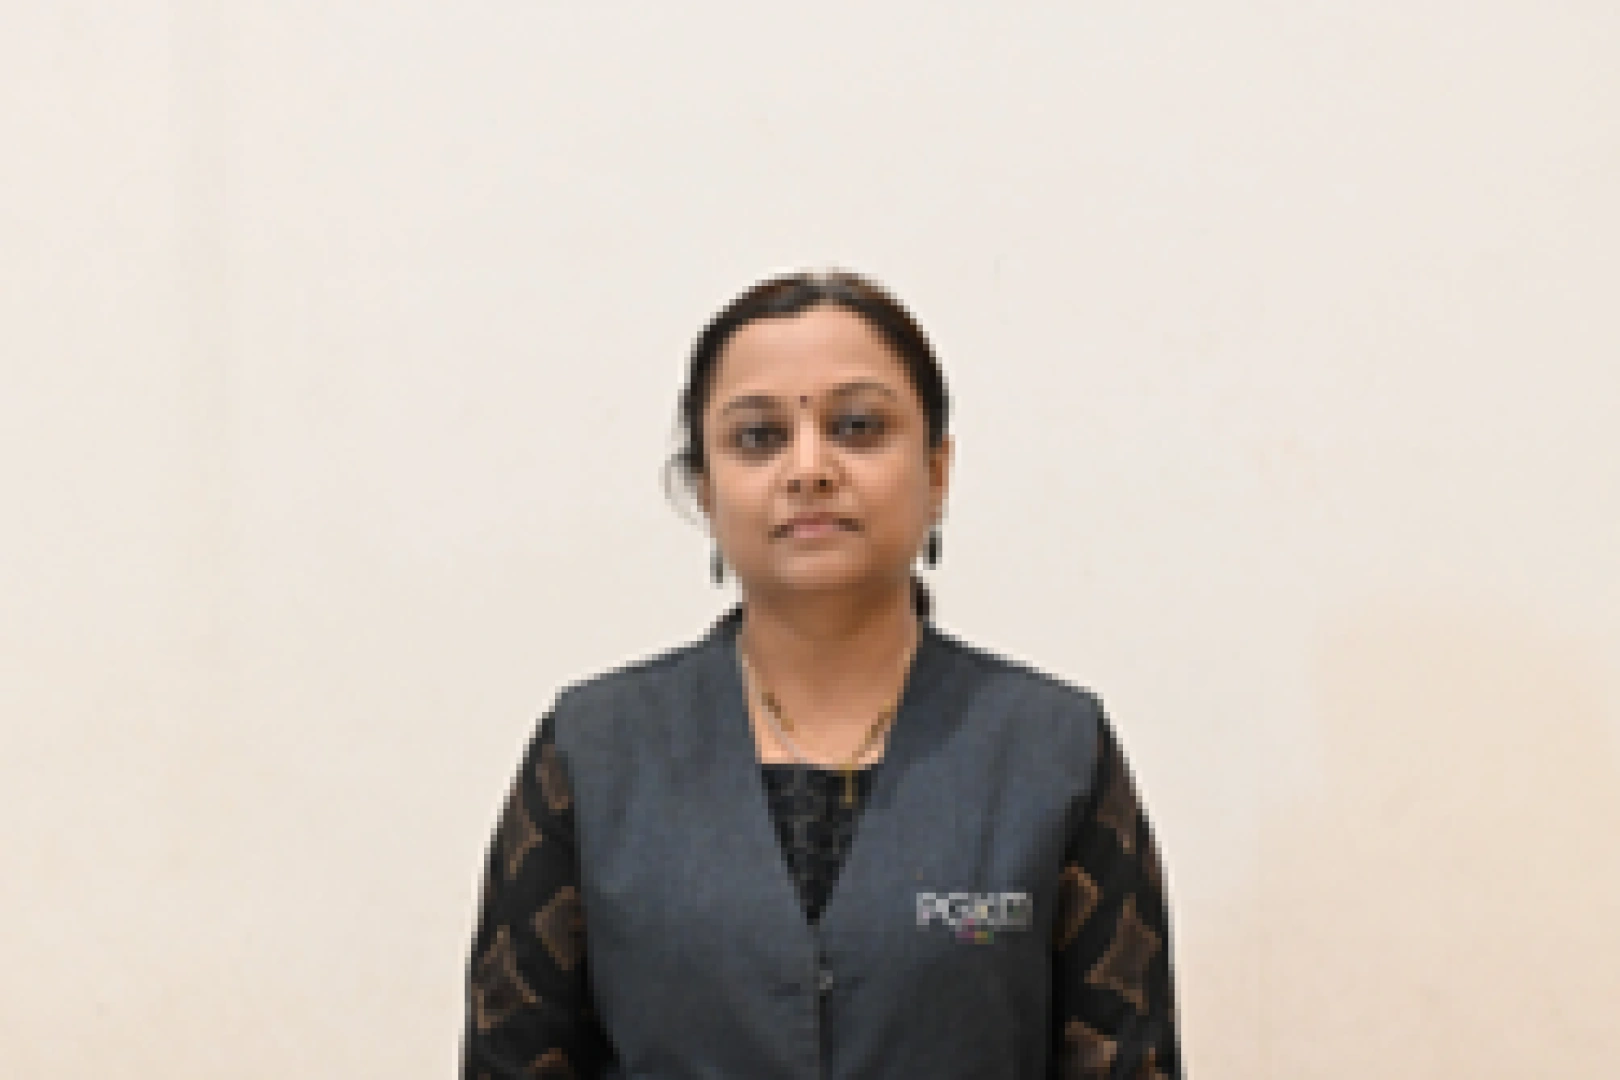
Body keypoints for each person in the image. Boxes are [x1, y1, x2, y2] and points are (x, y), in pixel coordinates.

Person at [461, 269, 1182, 1079]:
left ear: (937, 472)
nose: (809, 469)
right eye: (758, 438)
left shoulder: (1054, 753)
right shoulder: (594, 756)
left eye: (858, 427)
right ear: (704, 488)